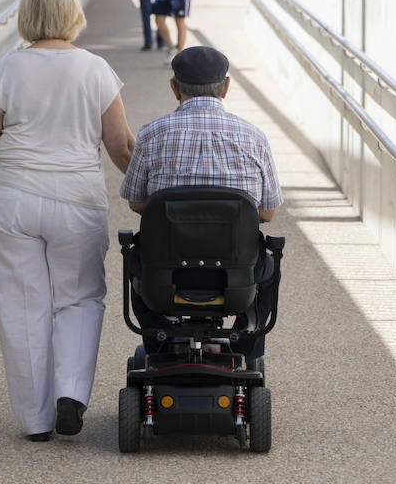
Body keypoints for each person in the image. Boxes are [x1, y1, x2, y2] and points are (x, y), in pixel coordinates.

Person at [0, 0, 136, 442]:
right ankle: (71, 395)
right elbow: (120, 147)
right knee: (79, 297)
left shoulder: (8, 69)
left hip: (13, 200)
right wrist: (149, 195)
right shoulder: (95, 69)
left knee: (22, 306)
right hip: (77, 201)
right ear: (72, 14)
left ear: (28, 17)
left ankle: (36, 421)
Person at [118, 46, 282, 360]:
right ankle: (246, 346)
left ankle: (161, 344)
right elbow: (267, 212)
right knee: (269, 269)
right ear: (226, 86)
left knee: (134, 261)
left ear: (174, 88)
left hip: (164, 273)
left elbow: (137, 204)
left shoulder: (151, 134)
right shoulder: (254, 137)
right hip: (236, 273)